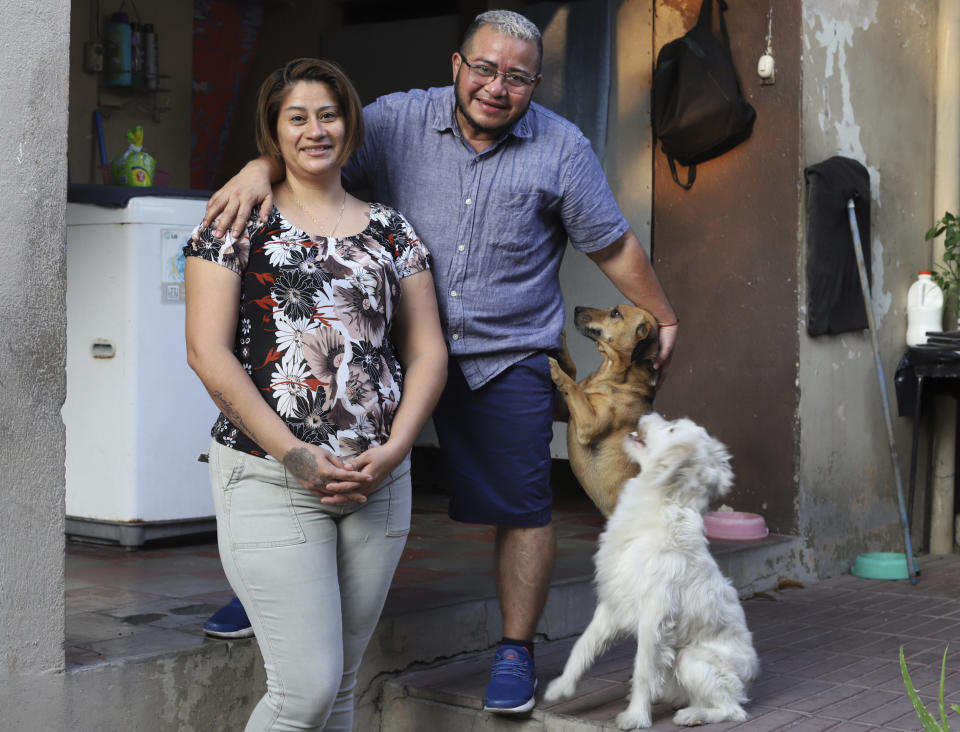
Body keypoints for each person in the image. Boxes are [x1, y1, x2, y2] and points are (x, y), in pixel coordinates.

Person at [203, 10, 678, 716]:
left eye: (516, 77)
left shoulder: (561, 147)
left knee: (523, 503)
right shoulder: (394, 120)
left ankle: (514, 650)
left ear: (534, 85)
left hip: (507, 348)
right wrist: (253, 169)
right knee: (312, 416)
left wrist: (663, 314)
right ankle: (270, 579)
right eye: (483, 68)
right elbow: (314, 149)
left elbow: (610, 244)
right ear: (457, 67)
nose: (496, 86)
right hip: (396, 339)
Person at [184, 58, 447, 731]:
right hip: (270, 474)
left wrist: (395, 449)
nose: (315, 130)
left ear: (349, 122)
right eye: (296, 117)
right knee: (304, 690)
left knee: (341, 688)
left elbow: (426, 352)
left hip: (377, 479)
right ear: (273, 132)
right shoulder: (234, 221)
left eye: (328, 114)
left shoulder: (393, 229)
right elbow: (206, 353)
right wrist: (295, 454)